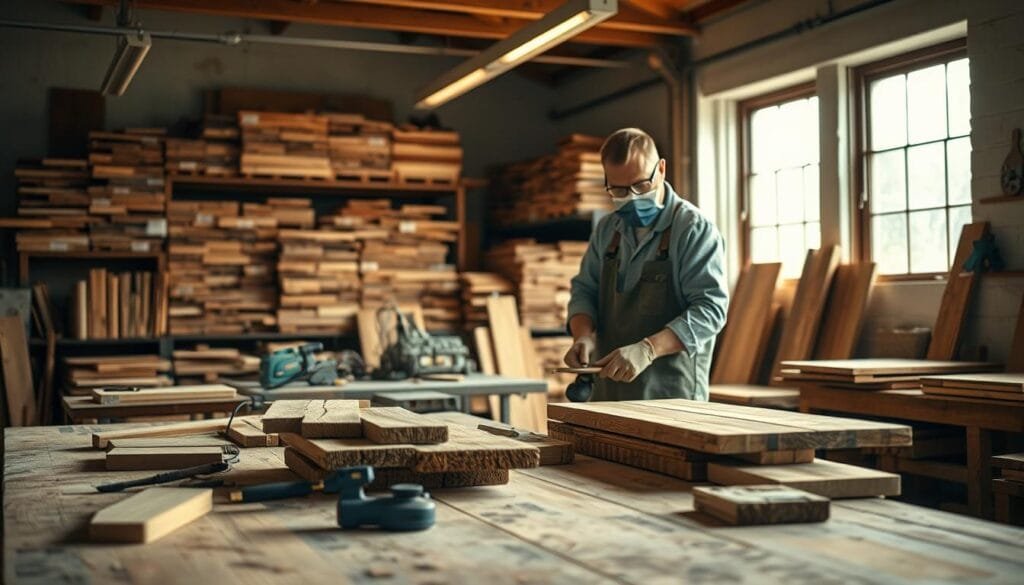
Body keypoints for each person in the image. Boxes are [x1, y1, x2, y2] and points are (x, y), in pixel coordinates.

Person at [563, 128, 728, 401]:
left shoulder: (693, 229)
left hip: (672, 396)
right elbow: (584, 291)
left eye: (641, 185)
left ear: (661, 169)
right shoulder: (607, 230)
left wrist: (648, 349)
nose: (632, 198)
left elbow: (710, 310)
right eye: (618, 189)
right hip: (611, 396)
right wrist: (583, 337)